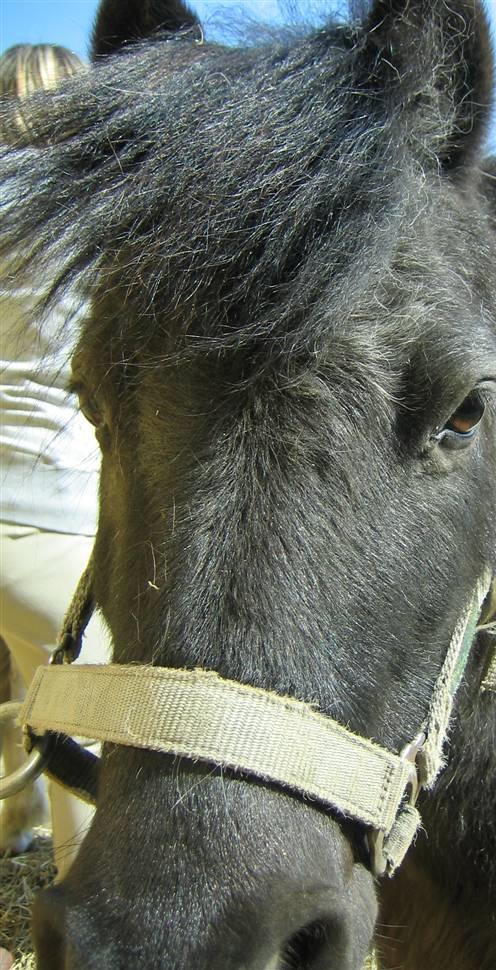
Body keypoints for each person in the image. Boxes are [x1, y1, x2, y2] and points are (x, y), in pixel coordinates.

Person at [0, 44, 110, 883]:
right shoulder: (92, 216)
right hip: (55, 525)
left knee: (11, 704)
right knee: (88, 738)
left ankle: (11, 833)